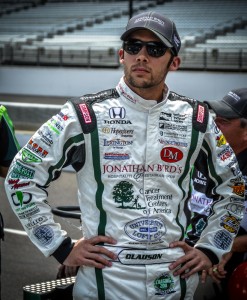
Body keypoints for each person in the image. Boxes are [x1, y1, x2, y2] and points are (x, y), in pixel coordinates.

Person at [4, 11, 245, 300]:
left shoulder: (197, 119)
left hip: (173, 282)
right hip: (103, 282)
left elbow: (234, 187)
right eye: (134, 46)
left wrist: (210, 248)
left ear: (175, 62)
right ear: (122, 54)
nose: (142, 56)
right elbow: (20, 177)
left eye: (155, 49)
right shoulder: (83, 115)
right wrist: (61, 247)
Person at [189, 88, 247, 297]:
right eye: (214, 118)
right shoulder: (200, 153)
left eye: (223, 121)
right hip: (185, 250)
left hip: (220, 268)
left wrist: (219, 247)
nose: (214, 126)